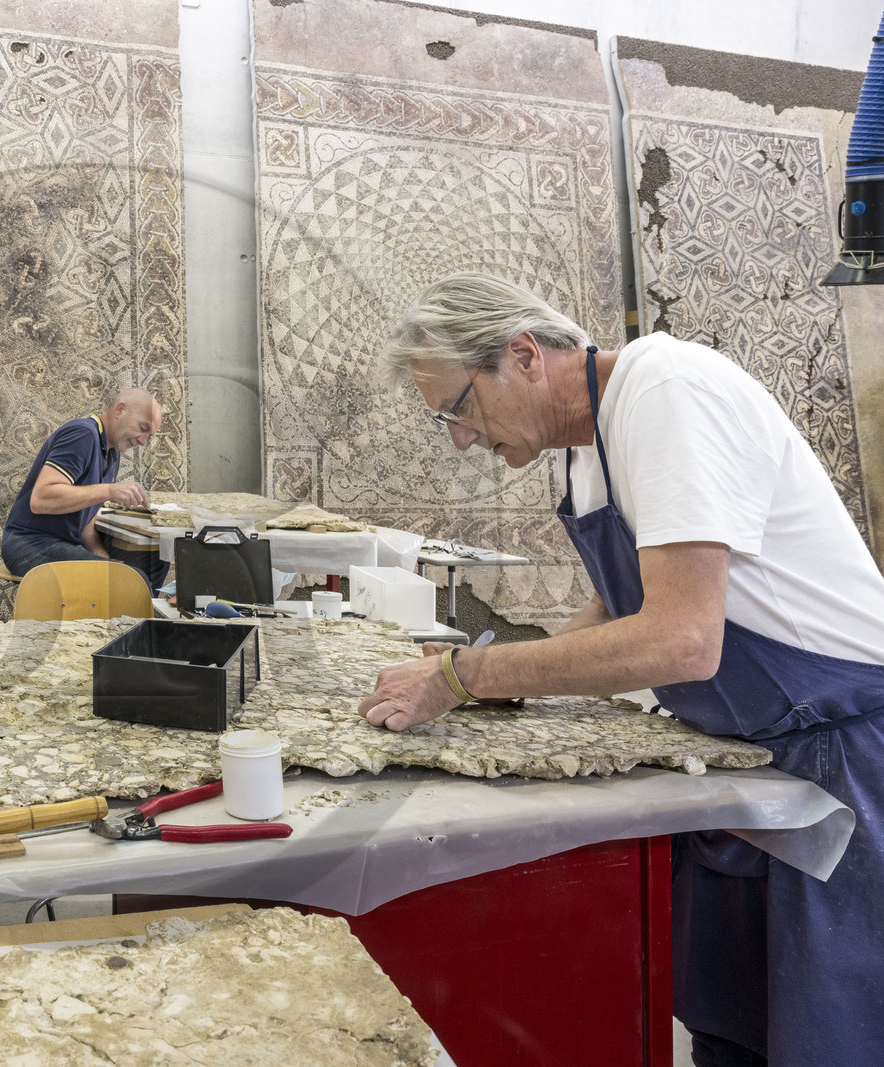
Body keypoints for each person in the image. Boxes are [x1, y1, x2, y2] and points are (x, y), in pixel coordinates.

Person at [357, 272, 884, 1066]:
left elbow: (681, 640)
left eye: (458, 408)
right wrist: (501, 671)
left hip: (846, 754)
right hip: (754, 760)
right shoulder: (585, 452)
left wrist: (468, 675)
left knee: (831, 1034)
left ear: (524, 355)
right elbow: (622, 604)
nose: (460, 438)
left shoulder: (666, 391)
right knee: (740, 1031)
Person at [1, 387, 169, 591]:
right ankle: (128, 620)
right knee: (134, 582)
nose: (143, 441)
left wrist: (98, 554)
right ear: (120, 410)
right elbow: (41, 498)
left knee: (157, 556)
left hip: (64, 545)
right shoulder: (83, 434)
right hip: (30, 547)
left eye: (149, 436)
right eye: (143, 428)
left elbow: (84, 518)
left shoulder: (112, 452)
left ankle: (123, 620)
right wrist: (109, 490)